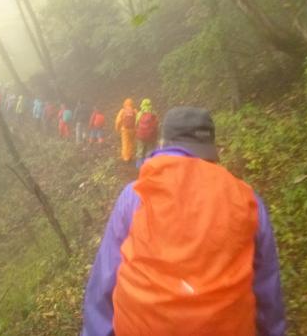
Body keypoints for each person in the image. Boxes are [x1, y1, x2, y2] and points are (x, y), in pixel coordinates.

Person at [81, 107, 285, 336]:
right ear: (211, 147)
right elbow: (267, 289)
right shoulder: (247, 199)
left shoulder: (136, 194)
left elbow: (105, 278)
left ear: (164, 143)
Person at [135, 98, 158, 169]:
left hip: (141, 135)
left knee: (140, 150)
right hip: (151, 136)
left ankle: (139, 165)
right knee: (150, 150)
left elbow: (136, 123)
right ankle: (148, 165)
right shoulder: (154, 113)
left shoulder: (140, 113)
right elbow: (156, 124)